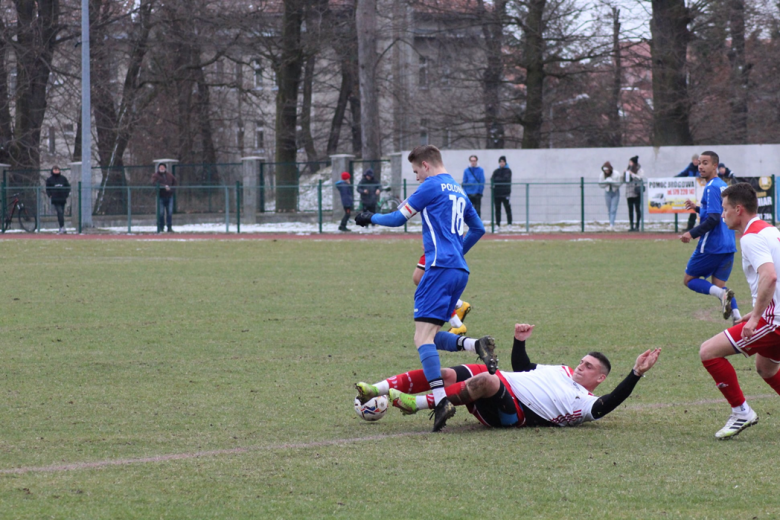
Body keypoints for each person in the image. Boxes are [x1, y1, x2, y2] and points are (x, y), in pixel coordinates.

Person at [354, 144, 488, 432]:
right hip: (459, 271)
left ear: (426, 165)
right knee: (432, 335)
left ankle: (441, 401)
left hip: (439, 269)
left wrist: (369, 217)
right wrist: (457, 254)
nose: (416, 177)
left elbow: (396, 218)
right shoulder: (459, 189)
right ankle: (474, 345)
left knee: (421, 338)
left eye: (416, 171)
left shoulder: (431, 186)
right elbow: (478, 229)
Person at [356, 322, 661, 429]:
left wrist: (635, 373)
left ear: (600, 378)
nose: (581, 365)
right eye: (583, 361)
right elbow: (524, 369)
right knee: (447, 373)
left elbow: (609, 403)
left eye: (589, 366)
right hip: (505, 382)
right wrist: (520, 342)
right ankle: (378, 387)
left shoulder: (585, 403)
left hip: (512, 414)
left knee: (489, 380)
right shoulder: (562, 371)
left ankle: (417, 404)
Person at [698, 182, 780, 439]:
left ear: (739, 209)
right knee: (765, 368)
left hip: (774, 321)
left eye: (725, 209)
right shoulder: (769, 230)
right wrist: (757, 310)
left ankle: (741, 412)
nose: (722, 214)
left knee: (708, 352)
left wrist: (757, 316)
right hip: (774, 315)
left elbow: (770, 277)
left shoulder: (751, 238)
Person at [680, 151, 740, 324]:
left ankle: (722, 296)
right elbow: (717, 213)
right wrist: (698, 208)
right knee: (718, 286)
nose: (700, 166)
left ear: (715, 165)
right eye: (699, 162)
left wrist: (691, 233)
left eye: (705, 163)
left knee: (689, 280)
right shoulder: (722, 185)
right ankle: (736, 316)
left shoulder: (711, 187)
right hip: (728, 244)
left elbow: (713, 219)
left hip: (713, 245)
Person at [414, 253, 471, 335]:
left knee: (432, 285)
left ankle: (457, 325)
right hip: (438, 249)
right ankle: (458, 305)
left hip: (441, 249)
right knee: (419, 279)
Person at [675, 154, 700, 231]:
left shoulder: (701, 168)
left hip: (700, 191)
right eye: (694, 160)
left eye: (696, 160)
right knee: (693, 209)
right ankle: (690, 227)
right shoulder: (690, 168)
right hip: (692, 192)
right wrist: (673, 179)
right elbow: (682, 174)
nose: (695, 161)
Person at [45, 165, 70, 234]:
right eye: (55, 170)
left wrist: (66, 194)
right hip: (55, 199)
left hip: (62, 198)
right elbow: (48, 188)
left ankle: (62, 227)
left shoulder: (63, 178)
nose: (56, 171)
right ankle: (62, 227)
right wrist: (50, 195)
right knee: (60, 212)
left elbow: (68, 186)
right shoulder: (50, 179)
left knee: (61, 213)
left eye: (57, 170)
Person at [151, 163, 177, 233]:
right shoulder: (155, 176)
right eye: (160, 167)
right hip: (161, 197)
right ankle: (161, 227)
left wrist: (171, 190)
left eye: (163, 167)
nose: (162, 168)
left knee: (170, 212)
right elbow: (154, 183)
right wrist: (164, 186)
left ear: (165, 168)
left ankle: (169, 227)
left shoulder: (170, 175)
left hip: (169, 196)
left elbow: (175, 183)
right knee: (161, 213)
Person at [623, 156, 645, 232]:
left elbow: (640, 178)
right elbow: (625, 180)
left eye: (631, 162)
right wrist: (624, 174)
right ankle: (631, 226)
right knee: (630, 209)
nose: (630, 164)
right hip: (629, 192)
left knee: (637, 209)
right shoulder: (628, 169)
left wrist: (632, 174)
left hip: (637, 192)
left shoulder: (640, 170)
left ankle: (637, 226)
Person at [598, 161, 621, 231]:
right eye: (605, 170)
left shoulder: (616, 174)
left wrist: (612, 182)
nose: (606, 171)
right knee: (609, 209)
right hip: (607, 192)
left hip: (615, 192)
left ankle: (612, 224)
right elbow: (600, 184)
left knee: (613, 209)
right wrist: (606, 182)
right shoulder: (602, 175)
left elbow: (619, 184)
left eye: (607, 170)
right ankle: (610, 222)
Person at [491, 156, 512, 227]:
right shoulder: (496, 171)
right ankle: (497, 224)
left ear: (505, 162)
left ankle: (509, 224)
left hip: (505, 193)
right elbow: (493, 179)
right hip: (497, 193)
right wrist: (499, 179)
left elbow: (506, 179)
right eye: (500, 162)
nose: (502, 163)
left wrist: (498, 179)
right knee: (497, 210)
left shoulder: (508, 171)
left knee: (507, 209)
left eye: (503, 162)